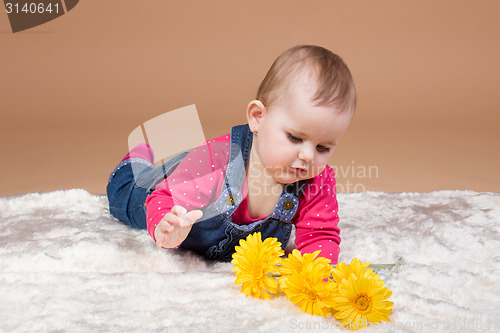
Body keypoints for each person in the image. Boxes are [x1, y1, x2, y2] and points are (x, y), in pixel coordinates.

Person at [106, 45, 356, 263]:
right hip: (170, 188)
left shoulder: (316, 182)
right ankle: (135, 160)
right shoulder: (220, 160)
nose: (308, 156)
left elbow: (320, 236)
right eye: (294, 137)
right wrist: (167, 226)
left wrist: (318, 277)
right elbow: (165, 196)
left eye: (323, 147)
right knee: (125, 197)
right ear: (258, 118)